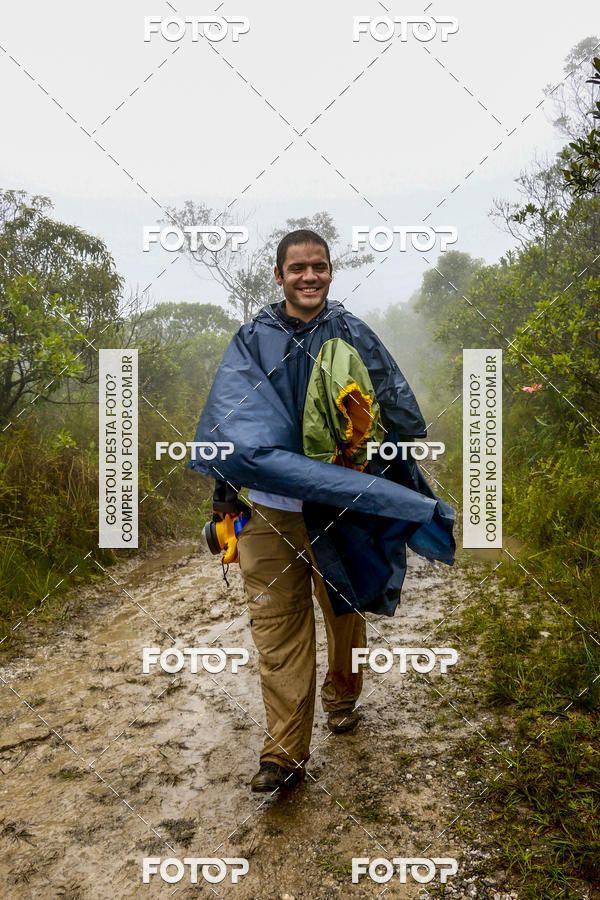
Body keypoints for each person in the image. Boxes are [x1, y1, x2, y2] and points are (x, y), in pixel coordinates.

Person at [188, 229, 455, 793]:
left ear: (331, 272)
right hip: (267, 513)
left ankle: (343, 696)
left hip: (340, 509)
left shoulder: (353, 332)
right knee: (277, 626)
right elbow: (230, 428)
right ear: (279, 275)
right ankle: (284, 754)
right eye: (297, 268)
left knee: (342, 612)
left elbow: (400, 412)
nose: (309, 276)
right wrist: (223, 498)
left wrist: (392, 472)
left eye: (319, 267)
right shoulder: (252, 339)